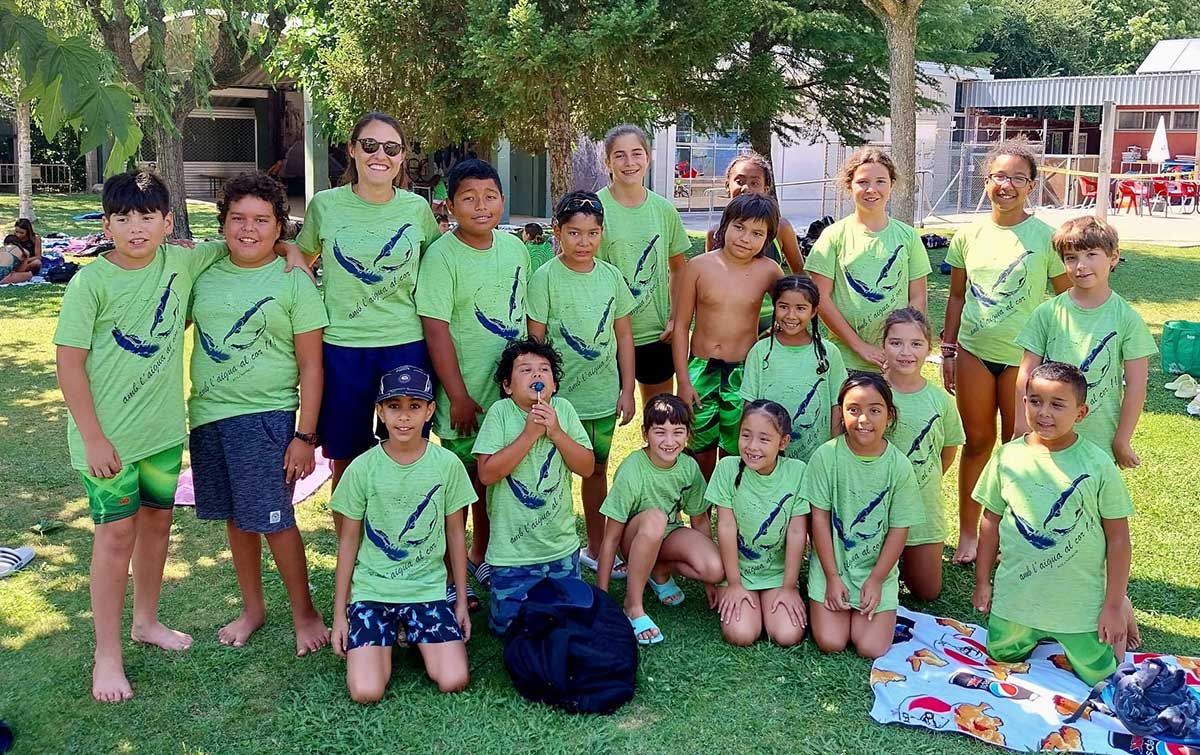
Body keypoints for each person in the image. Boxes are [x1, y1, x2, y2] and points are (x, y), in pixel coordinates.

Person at [53, 171, 223, 702]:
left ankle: (146, 621)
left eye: (147, 216)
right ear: (106, 225)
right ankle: (106, 655)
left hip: (163, 434)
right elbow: (69, 364)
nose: (135, 228)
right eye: (123, 218)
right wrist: (93, 437)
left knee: (156, 525)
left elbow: (242, 241)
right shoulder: (91, 284)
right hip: (107, 442)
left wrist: (289, 249)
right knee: (115, 536)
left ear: (168, 222)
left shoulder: (181, 262)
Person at [186, 172, 329, 655]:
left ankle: (305, 613)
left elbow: (312, 366)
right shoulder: (204, 272)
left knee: (275, 519)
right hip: (209, 415)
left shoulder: (293, 280)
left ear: (279, 226)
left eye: (262, 220)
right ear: (223, 223)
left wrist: (304, 437)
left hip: (266, 418)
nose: (249, 229)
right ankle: (252, 609)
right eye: (238, 218)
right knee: (237, 517)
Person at [286, 112, 442, 519]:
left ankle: (402, 538)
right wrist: (286, 252)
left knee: (407, 451)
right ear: (353, 150)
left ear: (402, 156)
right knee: (348, 459)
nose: (380, 155)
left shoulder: (417, 209)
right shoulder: (326, 205)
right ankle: (350, 548)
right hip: (343, 350)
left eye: (391, 148)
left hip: (406, 347)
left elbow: (440, 268)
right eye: (370, 145)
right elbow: (300, 257)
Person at [942, 138, 1069, 564]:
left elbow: (1064, 300)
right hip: (974, 353)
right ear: (986, 181)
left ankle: (1013, 538)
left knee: (1021, 448)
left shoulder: (1047, 239)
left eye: (1018, 177)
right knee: (977, 442)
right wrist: (948, 350)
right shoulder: (968, 235)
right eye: (999, 176)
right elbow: (956, 296)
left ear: (1032, 185)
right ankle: (968, 535)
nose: (1007, 185)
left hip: (1026, 361)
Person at [972, 362, 1133, 686]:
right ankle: (1033, 629)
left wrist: (1113, 606)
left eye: (1057, 404)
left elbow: (1118, 539)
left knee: (1102, 676)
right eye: (1035, 401)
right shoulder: (1006, 457)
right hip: (1017, 600)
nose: (1044, 412)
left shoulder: (1099, 465)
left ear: (1081, 413)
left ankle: (1124, 606)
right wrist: (982, 581)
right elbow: (990, 522)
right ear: (1024, 402)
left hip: (1077, 606)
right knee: (1000, 656)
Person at [417, 158, 529, 605]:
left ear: (502, 200)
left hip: (507, 398)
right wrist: (458, 396)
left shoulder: (515, 248)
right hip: (465, 400)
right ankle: (452, 569)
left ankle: (482, 554)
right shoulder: (442, 257)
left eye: (490, 197)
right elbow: (436, 329)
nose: (481, 206)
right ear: (450, 206)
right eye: (469, 198)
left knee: (493, 481)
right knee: (460, 485)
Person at [330, 366, 473, 701]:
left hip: (427, 590)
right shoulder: (363, 468)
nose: (404, 417)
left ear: (430, 410)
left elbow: (456, 535)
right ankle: (391, 634)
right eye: (394, 406)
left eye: (414, 406)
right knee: (366, 691)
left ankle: (411, 631)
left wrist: (460, 602)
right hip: (373, 591)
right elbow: (348, 541)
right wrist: (340, 614)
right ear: (380, 412)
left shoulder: (447, 464)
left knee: (453, 679)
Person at [527, 191, 635, 580]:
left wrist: (627, 389)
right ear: (557, 232)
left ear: (602, 233)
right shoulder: (544, 279)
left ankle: (595, 545)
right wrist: (539, 395)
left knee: (596, 472)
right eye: (574, 233)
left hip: (602, 398)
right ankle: (547, 550)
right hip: (558, 403)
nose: (583, 242)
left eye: (592, 233)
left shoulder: (611, 277)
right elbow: (535, 343)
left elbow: (624, 336)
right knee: (549, 474)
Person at [473, 338, 595, 635]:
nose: (537, 374)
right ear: (507, 386)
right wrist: (529, 435)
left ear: (554, 385)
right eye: (526, 369)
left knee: (567, 622)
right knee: (508, 629)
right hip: (511, 555)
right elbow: (486, 474)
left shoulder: (563, 410)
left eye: (544, 369)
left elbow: (587, 467)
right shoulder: (500, 414)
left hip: (560, 550)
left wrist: (556, 433)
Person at [1015, 217, 1156, 469]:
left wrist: (1122, 440)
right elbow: (1026, 373)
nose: (1081, 266)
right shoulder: (1046, 313)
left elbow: (1136, 386)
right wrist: (1021, 425)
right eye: (1071, 257)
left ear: (1113, 257)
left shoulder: (1127, 319)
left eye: (1091, 254)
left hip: (1099, 440)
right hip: (1047, 436)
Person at [805, 373, 923, 659]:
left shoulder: (899, 467)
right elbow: (818, 520)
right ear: (841, 413)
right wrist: (832, 577)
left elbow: (898, 529)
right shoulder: (826, 457)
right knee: (831, 641)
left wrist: (877, 580)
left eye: (874, 410)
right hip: (833, 567)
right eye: (853, 409)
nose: (863, 419)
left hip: (875, 570)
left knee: (870, 647)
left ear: (889, 415)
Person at [595, 394, 723, 645]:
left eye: (678, 432)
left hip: (667, 534)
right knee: (655, 518)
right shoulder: (633, 469)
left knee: (715, 568)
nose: (669, 441)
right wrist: (601, 597)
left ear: (688, 435)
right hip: (633, 540)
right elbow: (611, 539)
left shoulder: (688, 467)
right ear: (645, 434)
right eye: (660, 432)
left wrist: (710, 582)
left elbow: (699, 521)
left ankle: (658, 569)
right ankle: (633, 606)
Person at [673, 193, 784, 480]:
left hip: (743, 374)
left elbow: (792, 308)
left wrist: (773, 334)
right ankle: (700, 505)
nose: (745, 238)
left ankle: (730, 505)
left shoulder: (769, 271)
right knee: (698, 448)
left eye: (757, 233)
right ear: (725, 225)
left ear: (768, 238)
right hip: (701, 369)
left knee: (737, 449)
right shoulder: (699, 266)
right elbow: (681, 326)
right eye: (739, 227)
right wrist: (683, 381)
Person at [806, 148, 931, 374]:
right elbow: (821, 298)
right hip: (846, 362)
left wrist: (901, 348)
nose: (871, 189)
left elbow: (918, 297)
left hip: (896, 363)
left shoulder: (908, 237)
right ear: (849, 186)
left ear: (891, 185)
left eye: (880, 181)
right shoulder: (833, 236)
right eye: (862, 182)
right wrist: (859, 346)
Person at [597, 124, 691, 403]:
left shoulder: (663, 210)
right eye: (620, 155)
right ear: (608, 162)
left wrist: (676, 318)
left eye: (636, 153)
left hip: (656, 335)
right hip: (608, 335)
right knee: (604, 416)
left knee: (660, 415)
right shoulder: (595, 209)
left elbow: (679, 269)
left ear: (648, 158)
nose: (629, 162)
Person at [709, 400, 809, 647]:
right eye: (746, 435)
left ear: (783, 442)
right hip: (738, 573)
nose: (752, 446)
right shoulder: (727, 469)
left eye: (764, 439)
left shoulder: (797, 472)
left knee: (787, 635)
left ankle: (773, 599)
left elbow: (797, 531)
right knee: (740, 634)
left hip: (777, 575)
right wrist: (734, 584)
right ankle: (743, 596)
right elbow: (726, 528)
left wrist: (789, 587)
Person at [881, 307, 964, 602]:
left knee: (926, 592)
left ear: (929, 348)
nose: (906, 352)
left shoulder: (940, 401)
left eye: (916, 344)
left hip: (922, 508)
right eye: (896, 343)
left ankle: (909, 559)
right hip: (879, 509)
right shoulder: (872, 394)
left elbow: (948, 450)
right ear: (883, 345)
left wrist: (923, 480)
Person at [739, 275, 848, 463]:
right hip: (768, 461)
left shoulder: (829, 353)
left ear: (814, 311)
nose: (791, 315)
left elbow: (836, 407)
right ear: (774, 307)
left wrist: (833, 453)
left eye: (800, 308)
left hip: (816, 459)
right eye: (783, 306)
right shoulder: (760, 351)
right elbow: (749, 405)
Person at [705, 153, 804, 274]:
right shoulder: (714, 234)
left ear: (765, 190)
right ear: (727, 185)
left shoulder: (781, 228)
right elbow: (710, 275)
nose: (746, 188)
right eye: (739, 181)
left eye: (754, 183)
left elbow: (800, 274)